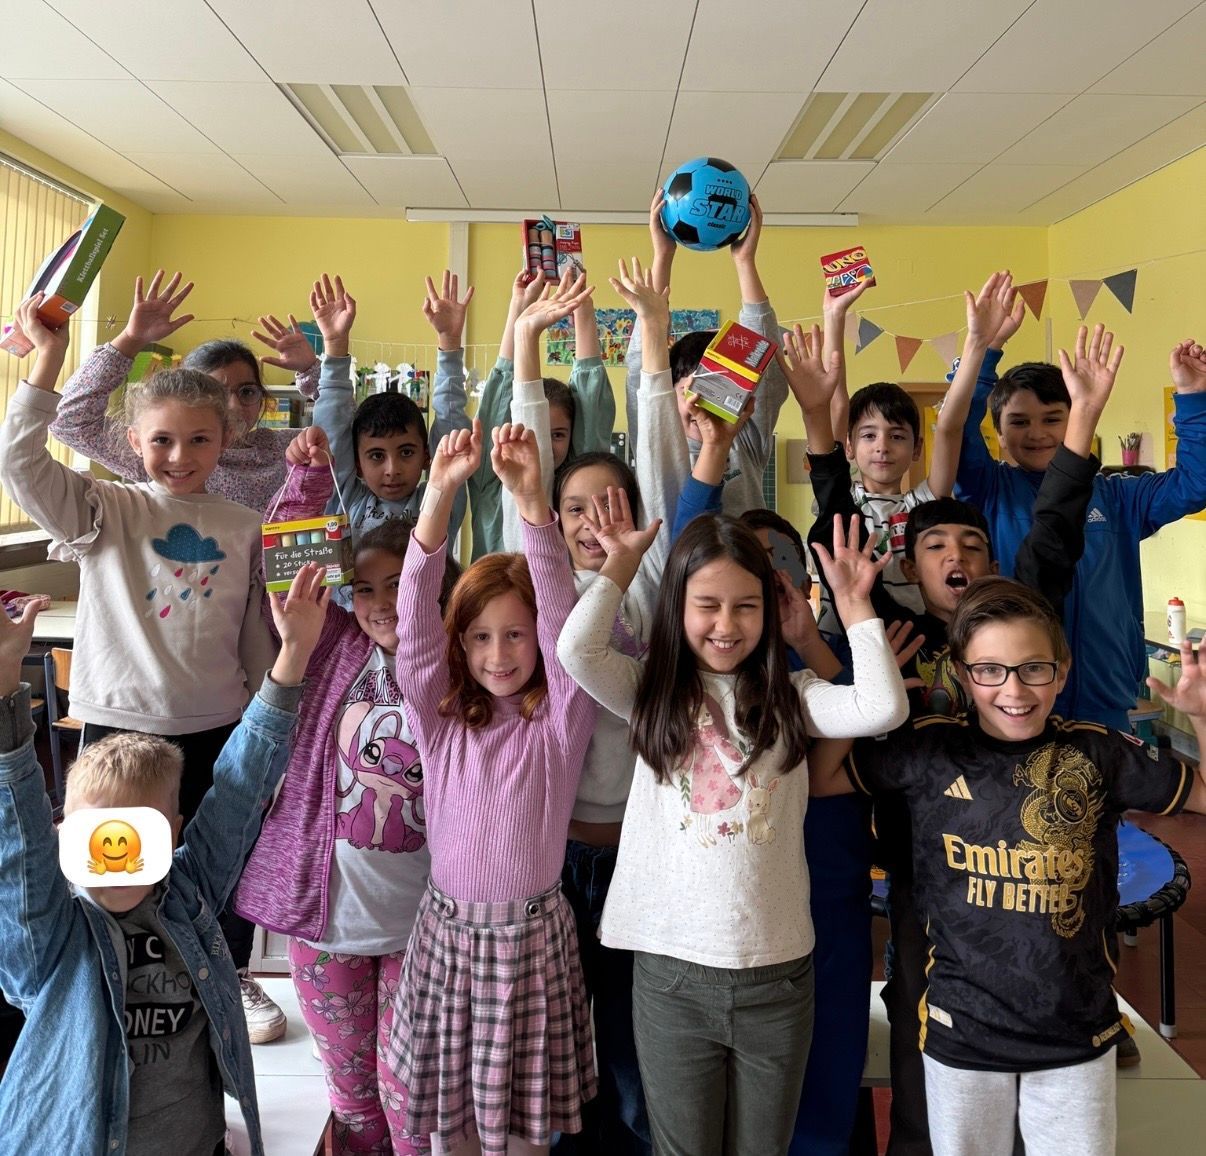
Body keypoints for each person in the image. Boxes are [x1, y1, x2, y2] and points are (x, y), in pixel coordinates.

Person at [790, 317, 1121, 1154]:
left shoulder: (1012, 618)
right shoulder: (893, 633)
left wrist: (1083, 419)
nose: (956, 554)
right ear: (911, 563)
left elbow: (1054, 528)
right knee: (921, 1034)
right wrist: (819, 419)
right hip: (926, 880)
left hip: (1030, 873)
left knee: (1040, 1051)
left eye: (971, 542)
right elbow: (836, 523)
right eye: (935, 544)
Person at [556, 488, 909, 1155]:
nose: (726, 624)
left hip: (777, 976)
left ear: (770, 612)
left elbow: (882, 707)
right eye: (707, 605)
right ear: (677, 607)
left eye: (746, 605)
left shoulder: (792, 697)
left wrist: (855, 607)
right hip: (671, 975)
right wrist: (621, 565)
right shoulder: (653, 692)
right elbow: (577, 651)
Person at [812, 577, 1206, 1156]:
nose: (1014, 689)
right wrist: (862, 682)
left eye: (1033, 669)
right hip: (961, 1033)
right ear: (962, 674)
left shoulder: (1099, 752)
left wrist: (1201, 717)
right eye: (990, 670)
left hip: (1076, 1033)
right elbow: (822, 779)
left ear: (1062, 672)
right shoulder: (928, 748)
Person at [0, 291, 285, 1041]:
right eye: (162, 440)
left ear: (225, 442)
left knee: (216, 881)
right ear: (133, 441)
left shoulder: (245, 524)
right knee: (114, 877)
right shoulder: (105, 510)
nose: (180, 457)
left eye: (199, 440)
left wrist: (265, 720)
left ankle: (215, 1002)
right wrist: (48, 363)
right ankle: (114, 1009)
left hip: (218, 733)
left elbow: (252, 635)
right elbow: (20, 463)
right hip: (119, 735)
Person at [0, 566, 327, 1156]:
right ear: (66, 834)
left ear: (172, 834)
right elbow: (17, 844)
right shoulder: (50, 936)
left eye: (138, 828)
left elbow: (240, 787)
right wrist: (5, 690)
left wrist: (293, 655)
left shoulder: (187, 892)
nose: (117, 847)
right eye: (99, 830)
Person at [235, 425, 458, 1155]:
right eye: (364, 589)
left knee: (411, 1097)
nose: (381, 602)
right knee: (354, 1100)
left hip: (424, 927)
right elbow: (288, 573)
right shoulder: (334, 647)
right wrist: (304, 480)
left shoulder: (458, 667)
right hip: (325, 926)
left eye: (399, 585)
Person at [386, 395, 600, 1151]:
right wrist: (439, 494)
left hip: (532, 949)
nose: (499, 654)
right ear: (461, 645)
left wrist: (533, 502)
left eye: (515, 635)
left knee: (526, 1132)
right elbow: (415, 624)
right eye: (480, 637)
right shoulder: (441, 717)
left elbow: (563, 618)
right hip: (446, 940)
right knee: (451, 1132)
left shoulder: (558, 720)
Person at [955, 322, 1206, 731]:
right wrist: (986, 350)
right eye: (1019, 422)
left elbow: (1196, 483)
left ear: (1077, 420)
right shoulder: (987, 489)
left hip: (1106, 698)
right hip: (1014, 700)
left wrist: (1193, 397)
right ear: (998, 433)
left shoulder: (1119, 497)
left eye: (1052, 418)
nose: (1037, 433)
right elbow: (958, 425)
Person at [813, 271, 1023, 641]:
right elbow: (834, 402)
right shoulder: (840, 500)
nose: (882, 446)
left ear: (916, 449)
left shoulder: (923, 506)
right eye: (868, 435)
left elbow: (950, 427)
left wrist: (978, 345)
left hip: (914, 646)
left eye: (897, 436)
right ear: (848, 447)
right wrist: (835, 317)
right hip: (841, 643)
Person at [47, 269, 325, 512]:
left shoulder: (285, 447)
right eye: (216, 392)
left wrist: (311, 370)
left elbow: (344, 429)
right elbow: (68, 421)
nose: (234, 406)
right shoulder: (165, 453)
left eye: (247, 392)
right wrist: (130, 339)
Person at [625, 189, 788, 517]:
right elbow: (644, 368)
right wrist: (663, 255)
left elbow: (765, 367)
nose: (702, 401)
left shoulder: (744, 441)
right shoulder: (656, 439)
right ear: (666, 397)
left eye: (716, 389)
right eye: (691, 389)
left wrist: (744, 262)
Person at [311, 271, 470, 551]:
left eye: (406, 452)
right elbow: (332, 427)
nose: (392, 470)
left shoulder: (440, 498)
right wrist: (334, 345)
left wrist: (449, 341)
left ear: (427, 456)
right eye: (376, 455)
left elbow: (450, 423)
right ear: (357, 463)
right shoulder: (347, 501)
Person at [465, 268, 616, 560]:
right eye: (535, 434)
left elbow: (591, 407)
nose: (543, 445)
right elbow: (501, 394)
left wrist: (582, 309)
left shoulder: (575, 489)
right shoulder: (490, 479)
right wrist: (518, 307)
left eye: (557, 435)